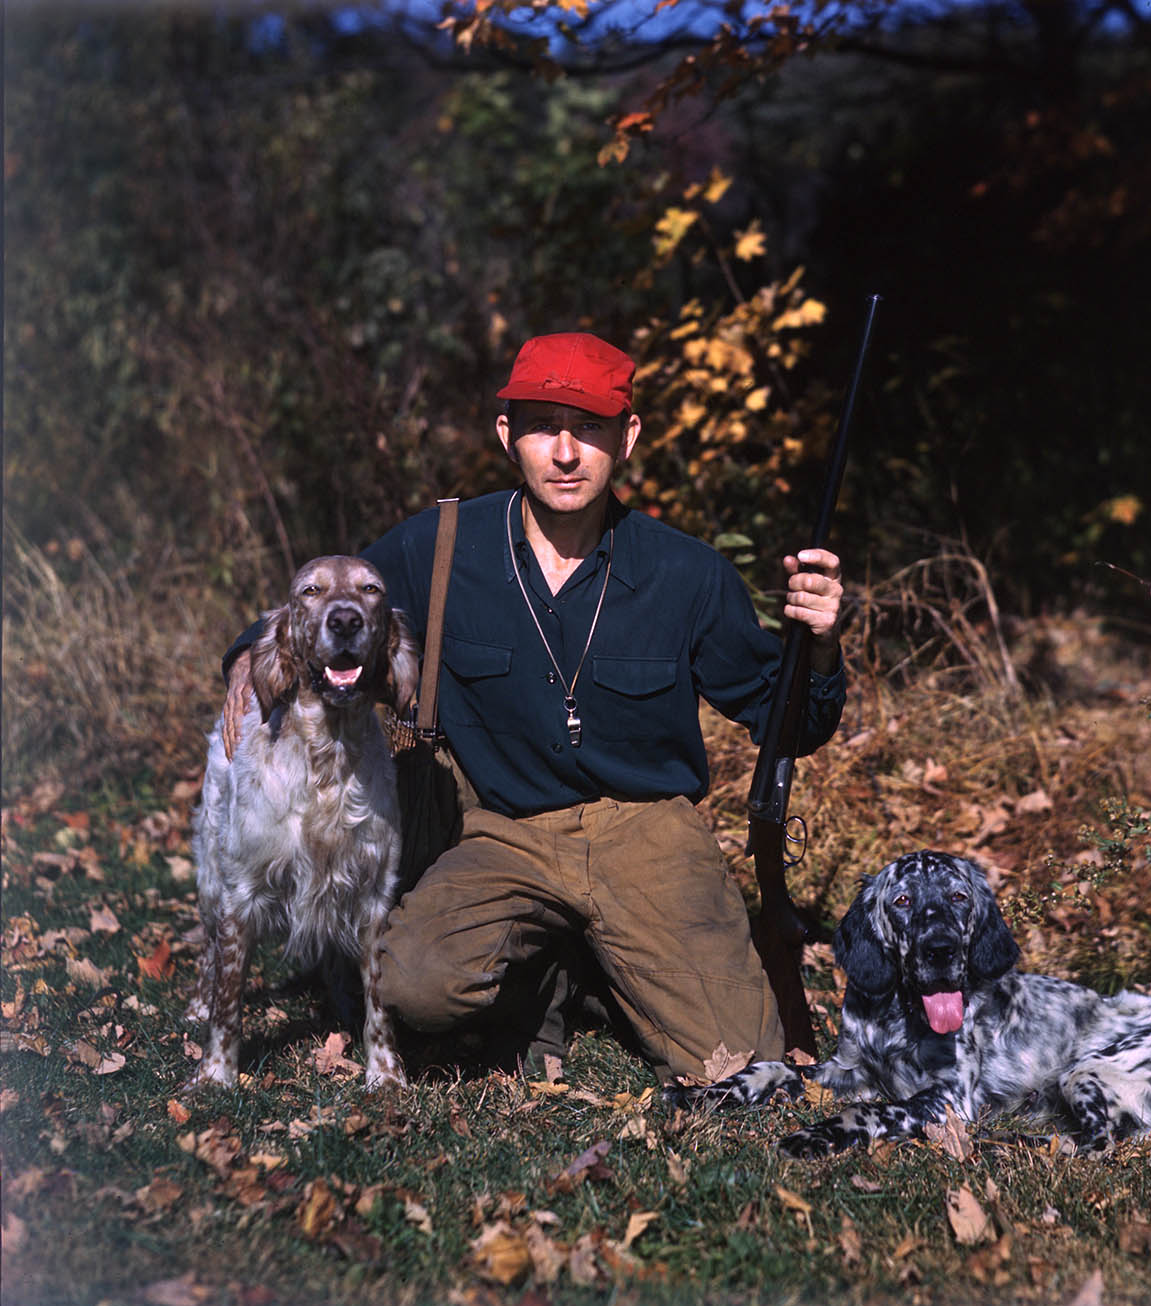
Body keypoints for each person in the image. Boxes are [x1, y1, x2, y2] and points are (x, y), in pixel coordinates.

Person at [221, 331, 846, 1081]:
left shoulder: (688, 573)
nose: (566, 452)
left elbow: (793, 725)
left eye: (589, 429)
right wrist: (242, 662)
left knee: (743, 1059)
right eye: (544, 426)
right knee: (406, 985)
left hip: (643, 830)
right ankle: (547, 967)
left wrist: (819, 645)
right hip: (497, 829)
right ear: (507, 436)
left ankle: (580, 964)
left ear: (628, 437)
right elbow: (321, 606)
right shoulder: (440, 544)